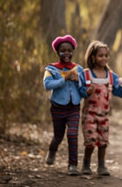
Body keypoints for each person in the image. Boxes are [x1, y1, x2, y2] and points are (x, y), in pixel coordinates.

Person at [78, 40, 122, 176]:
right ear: (93, 57)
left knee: (103, 141)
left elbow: (120, 92)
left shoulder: (111, 76)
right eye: (100, 55)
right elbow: (80, 90)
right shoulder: (86, 74)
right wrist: (86, 91)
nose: (104, 58)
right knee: (90, 140)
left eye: (106, 55)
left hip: (104, 116)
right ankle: (86, 164)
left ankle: (101, 166)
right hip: (89, 114)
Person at [43, 35, 84, 176]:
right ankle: (52, 150)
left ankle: (72, 165)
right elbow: (47, 85)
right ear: (57, 52)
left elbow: (83, 89)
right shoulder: (51, 69)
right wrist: (64, 78)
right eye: (63, 50)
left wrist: (80, 82)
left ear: (73, 51)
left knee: (72, 134)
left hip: (74, 107)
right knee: (58, 136)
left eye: (69, 50)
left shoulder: (78, 69)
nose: (66, 53)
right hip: (58, 107)